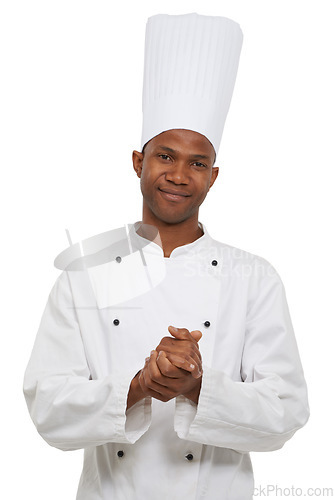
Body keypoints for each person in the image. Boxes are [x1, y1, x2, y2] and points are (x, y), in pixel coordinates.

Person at [23, 13, 310, 500]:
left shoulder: (254, 277)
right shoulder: (84, 275)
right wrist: (140, 385)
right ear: (139, 161)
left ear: (213, 176)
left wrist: (197, 387)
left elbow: (284, 416)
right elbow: (48, 410)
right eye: (165, 155)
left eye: (198, 162)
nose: (180, 174)